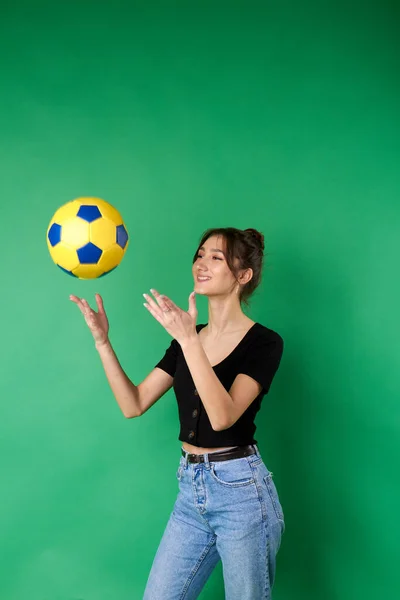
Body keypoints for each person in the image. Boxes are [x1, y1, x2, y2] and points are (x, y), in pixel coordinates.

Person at [70, 226, 285, 600]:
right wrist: (102, 341)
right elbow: (132, 404)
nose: (201, 264)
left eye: (216, 258)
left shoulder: (264, 342)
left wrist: (189, 341)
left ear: (243, 276)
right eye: (200, 255)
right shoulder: (188, 335)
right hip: (191, 490)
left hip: (241, 494)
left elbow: (223, 417)